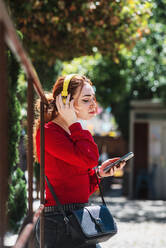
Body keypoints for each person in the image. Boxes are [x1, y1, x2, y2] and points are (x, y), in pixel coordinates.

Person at [34, 74, 126, 248]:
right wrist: (74, 123)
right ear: (65, 102)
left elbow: (77, 185)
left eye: (93, 98)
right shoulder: (49, 133)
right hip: (59, 223)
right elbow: (88, 158)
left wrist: (99, 173)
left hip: (77, 217)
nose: (93, 104)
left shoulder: (72, 132)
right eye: (86, 99)